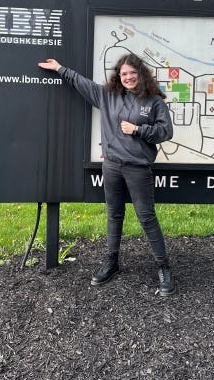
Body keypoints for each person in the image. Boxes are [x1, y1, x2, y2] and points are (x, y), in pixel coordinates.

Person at [38, 54, 175, 295]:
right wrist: (60, 68)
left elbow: (166, 132)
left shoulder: (153, 102)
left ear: (140, 74)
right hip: (111, 166)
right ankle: (112, 263)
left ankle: (163, 267)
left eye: (133, 73)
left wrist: (139, 129)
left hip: (137, 168)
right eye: (124, 74)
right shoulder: (108, 96)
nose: (129, 77)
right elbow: (83, 83)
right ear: (118, 77)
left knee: (146, 217)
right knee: (114, 214)